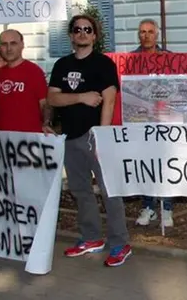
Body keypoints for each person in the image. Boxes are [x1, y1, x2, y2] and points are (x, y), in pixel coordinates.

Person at [47, 15, 132, 267]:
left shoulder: (103, 64)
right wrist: (81, 97)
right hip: (69, 137)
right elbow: (53, 98)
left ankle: (120, 243)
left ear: (94, 35)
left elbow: (109, 99)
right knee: (80, 190)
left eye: (87, 29)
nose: (82, 33)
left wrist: (101, 135)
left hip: (95, 136)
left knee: (110, 191)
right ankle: (92, 237)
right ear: (71, 35)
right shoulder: (62, 65)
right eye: (77, 29)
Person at [131, 19, 176, 228]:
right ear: (138, 35)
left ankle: (166, 208)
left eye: (150, 32)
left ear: (156, 34)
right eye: (142, 32)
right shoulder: (130, 59)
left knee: (166, 164)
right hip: (140, 120)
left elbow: (178, 86)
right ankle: (148, 206)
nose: (146, 35)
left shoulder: (168, 58)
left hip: (164, 120)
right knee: (145, 164)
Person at [0, 30, 52, 134]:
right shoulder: (1, 73)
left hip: (29, 138)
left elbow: (44, 103)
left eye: (13, 43)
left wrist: (47, 123)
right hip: (5, 139)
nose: (9, 48)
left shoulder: (34, 71)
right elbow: (2, 104)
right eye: (4, 44)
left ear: (22, 45)